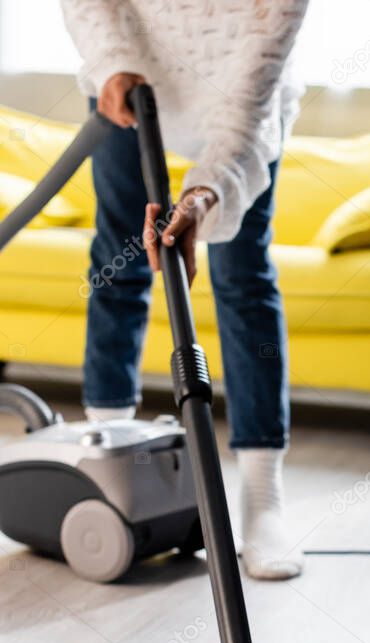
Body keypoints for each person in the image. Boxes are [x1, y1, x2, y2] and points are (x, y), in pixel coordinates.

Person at [60, 0, 309, 579]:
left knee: (241, 272)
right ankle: (105, 459)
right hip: (127, 75)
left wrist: (204, 198)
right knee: (119, 260)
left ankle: (261, 498)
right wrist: (113, 60)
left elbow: (244, 120)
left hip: (239, 104)